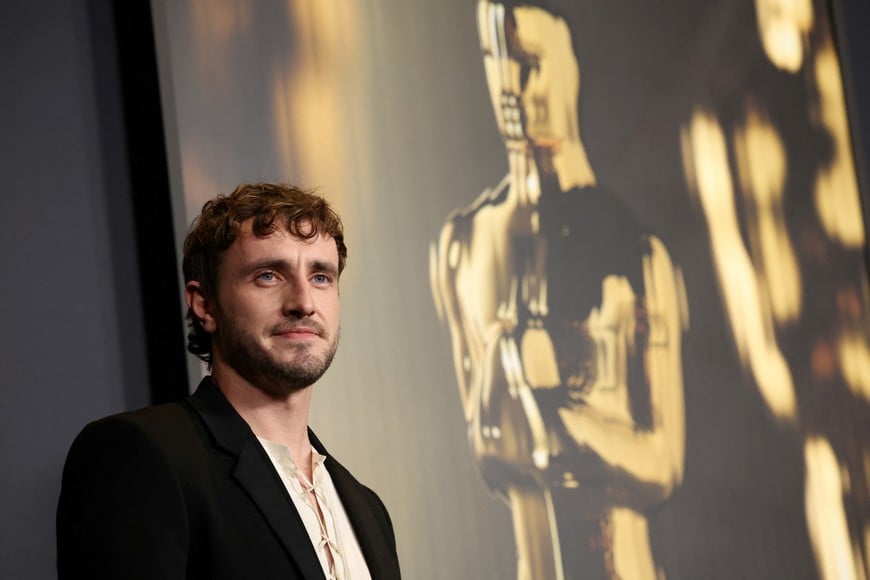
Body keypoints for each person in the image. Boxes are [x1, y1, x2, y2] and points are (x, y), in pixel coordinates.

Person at [431, 2, 687, 578]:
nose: (510, 87)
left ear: (574, 66)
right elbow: (489, 451)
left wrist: (553, 418)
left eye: (530, 62)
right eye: (496, 60)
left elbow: (662, 460)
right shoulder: (464, 246)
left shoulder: (636, 253)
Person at [57, 183, 401, 580]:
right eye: (269, 275)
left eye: (321, 277)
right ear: (205, 304)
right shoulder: (139, 456)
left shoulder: (368, 510)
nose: (304, 302)